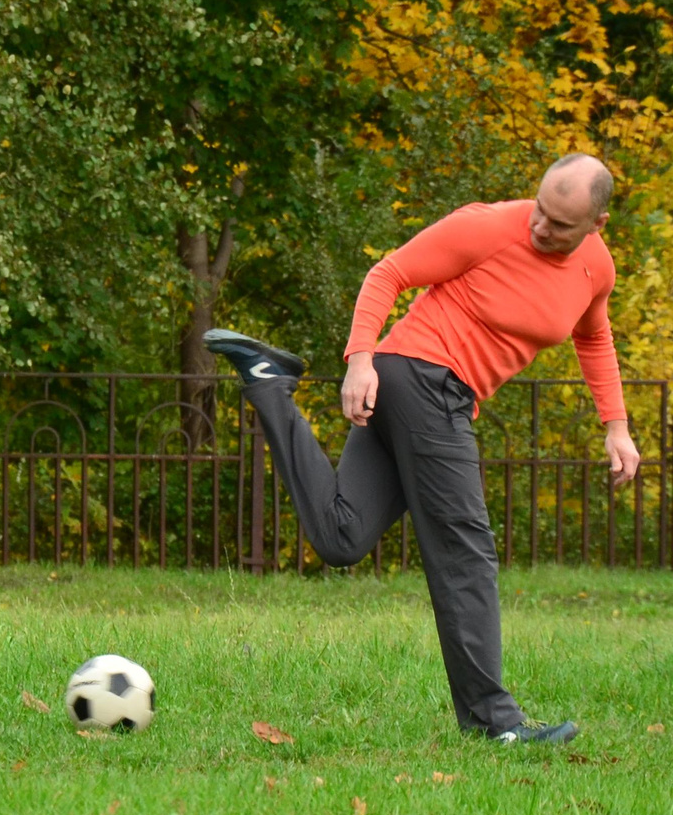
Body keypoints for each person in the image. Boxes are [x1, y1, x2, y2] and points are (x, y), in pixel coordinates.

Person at [204, 153, 641, 746]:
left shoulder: (596, 268)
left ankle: (268, 382)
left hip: (421, 389)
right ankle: (496, 724)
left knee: (341, 538)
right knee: (465, 551)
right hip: (426, 377)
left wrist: (616, 426)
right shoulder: (487, 226)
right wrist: (359, 360)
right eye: (540, 210)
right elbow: (388, 273)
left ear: (598, 223)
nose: (541, 228)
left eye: (561, 224)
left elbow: (594, 335)